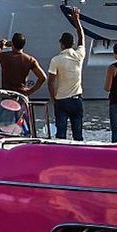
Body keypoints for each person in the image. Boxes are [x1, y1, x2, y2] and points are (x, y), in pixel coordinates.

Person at [47, 8, 86, 140]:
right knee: (78, 134)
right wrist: (77, 21)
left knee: (61, 133)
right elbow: (82, 38)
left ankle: (60, 157)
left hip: (61, 100)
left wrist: (53, 98)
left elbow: (50, 81)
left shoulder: (56, 60)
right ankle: (80, 157)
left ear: (61, 44)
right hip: (77, 99)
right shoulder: (79, 56)